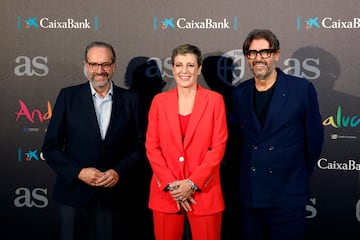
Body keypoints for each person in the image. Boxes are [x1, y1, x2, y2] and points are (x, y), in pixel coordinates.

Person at [41, 41, 144, 240]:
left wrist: (118, 172)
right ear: (86, 66)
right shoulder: (68, 96)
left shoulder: (131, 100)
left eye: (105, 64)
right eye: (94, 64)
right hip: (73, 195)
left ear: (114, 66)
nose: (100, 70)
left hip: (114, 197)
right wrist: (78, 172)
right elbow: (50, 148)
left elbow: (140, 147)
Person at [230, 29, 324, 240]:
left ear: (276, 54)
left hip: (287, 197)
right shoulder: (239, 93)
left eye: (265, 52)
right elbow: (236, 145)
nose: (258, 58)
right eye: (252, 53)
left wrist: (293, 175)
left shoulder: (301, 89)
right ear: (247, 57)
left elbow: (314, 142)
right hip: (251, 198)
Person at [145, 44, 228, 240]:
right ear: (173, 69)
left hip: (205, 194)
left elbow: (218, 147)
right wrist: (172, 186)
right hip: (166, 194)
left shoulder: (215, 101)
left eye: (190, 65)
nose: (184, 71)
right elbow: (152, 146)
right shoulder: (159, 101)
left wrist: (192, 183)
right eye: (179, 65)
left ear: (199, 69)